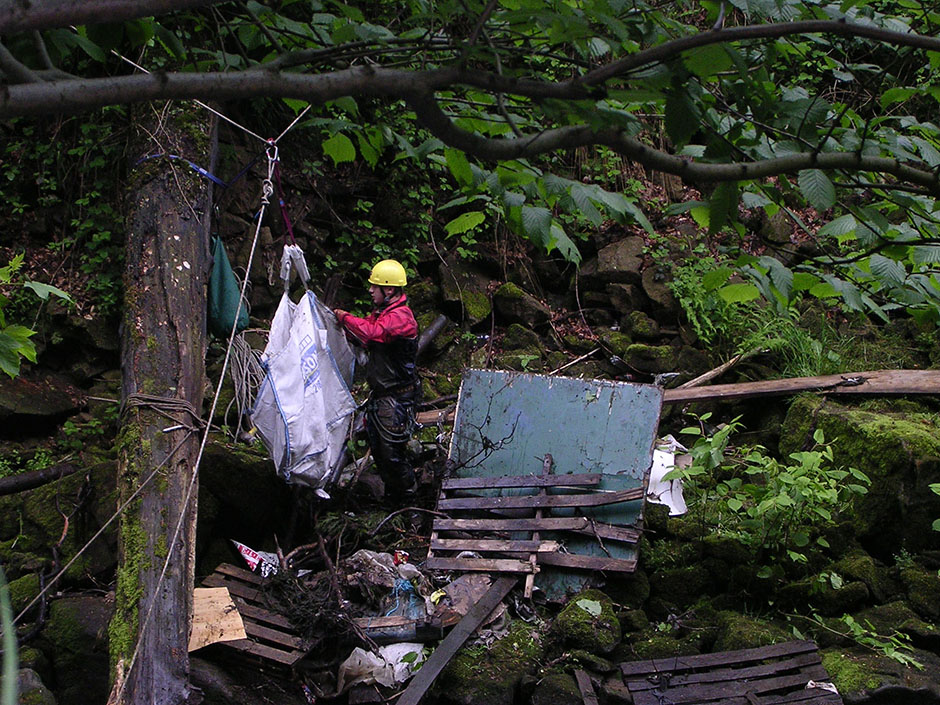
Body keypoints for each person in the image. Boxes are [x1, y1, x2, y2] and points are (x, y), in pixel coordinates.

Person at [334, 259, 420, 505]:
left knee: (392, 454)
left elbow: (372, 333)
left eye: (375, 286)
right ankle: (394, 499)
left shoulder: (401, 317)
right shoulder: (383, 314)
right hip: (383, 395)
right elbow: (367, 334)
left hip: (397, 397)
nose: (370, 291)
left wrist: (345, 317)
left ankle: (410, 501)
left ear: (389, 290)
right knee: (380, 452)